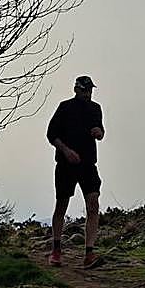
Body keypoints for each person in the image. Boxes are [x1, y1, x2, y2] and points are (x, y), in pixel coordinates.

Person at [46, 74, 105, 268]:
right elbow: (51, 134)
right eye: (85, 90)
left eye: (90, 90)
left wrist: (99, 132)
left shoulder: (96, 109)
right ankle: (56, 249)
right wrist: (66, 151)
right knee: (61, 205)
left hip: (88, 164)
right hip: (65, 165)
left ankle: (90, 252)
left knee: (93, 203)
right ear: (76, 90)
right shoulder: (65, 108)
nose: (88, 93)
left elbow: (101, 132)